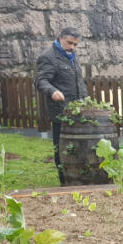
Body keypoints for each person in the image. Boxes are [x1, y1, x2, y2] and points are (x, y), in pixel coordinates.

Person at [35, 27, 88, 184]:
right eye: (69, 43)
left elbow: (77, 80)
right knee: (62, 148)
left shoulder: (72, 54)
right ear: (60, 38)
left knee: (80, 146)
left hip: (80, 109)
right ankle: (64, 180)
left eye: (75, 44)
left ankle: (80, 176)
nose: (72, 47)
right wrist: (52, 91)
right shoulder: (48, 57)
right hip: (61, 112)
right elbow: (40, 80)